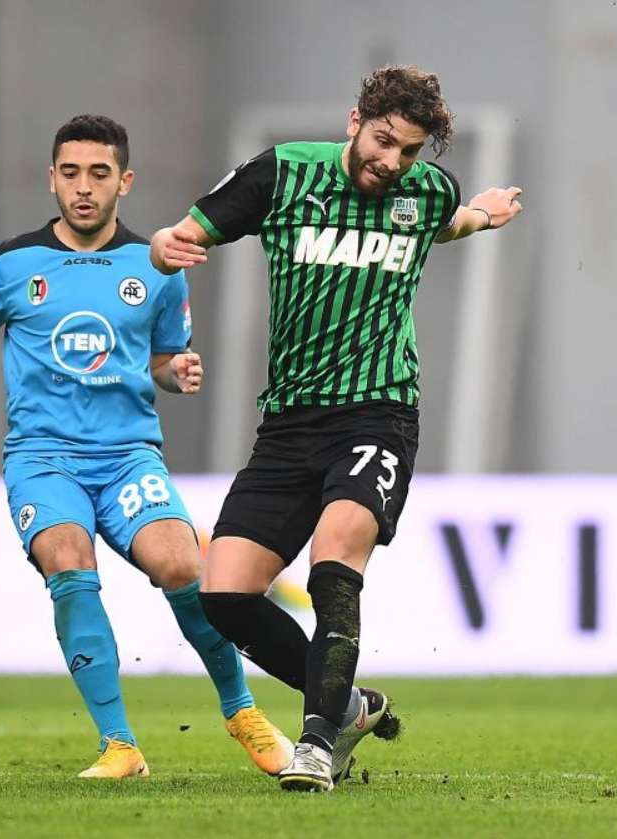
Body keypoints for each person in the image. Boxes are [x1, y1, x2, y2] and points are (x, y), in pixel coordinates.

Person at [0, 115, 291, 780]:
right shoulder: (10, 264)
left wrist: (176, 371)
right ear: (51, 179)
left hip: (128, 456)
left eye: (99, 173)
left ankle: (242, 711)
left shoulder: (158, 265)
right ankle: (120, 745)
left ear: (124, 182)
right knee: (67, 558)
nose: (84, 187)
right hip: (43, 458)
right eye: (72, 173)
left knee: (181, 563)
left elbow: (163, 359)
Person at [150, 65, 524, 791]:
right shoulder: (283, 173)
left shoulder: (426, 191)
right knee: (224, 594)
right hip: (288, 423)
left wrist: (481, 214)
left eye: (408, 150)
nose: (392, 162)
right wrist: (166, 245)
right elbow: (183, 233)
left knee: (336, 557)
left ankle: (317, 743)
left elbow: (445, 223)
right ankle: (348, 707)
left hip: (379, 412)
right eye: (383, 141)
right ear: (355, 122)